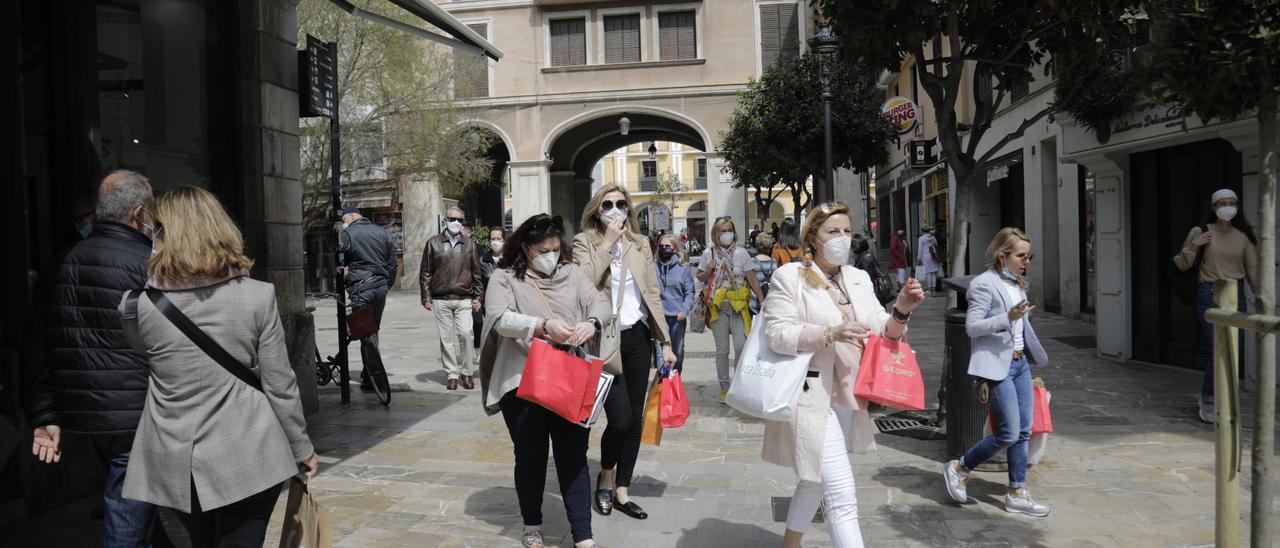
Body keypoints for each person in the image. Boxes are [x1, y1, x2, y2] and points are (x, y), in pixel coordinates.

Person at [117, 186, 318, 546]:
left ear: (164, 234)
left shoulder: (136, 306)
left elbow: (142, 349)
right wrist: (301, 448)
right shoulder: (257, 296)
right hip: (248, 452)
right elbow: (279, 383)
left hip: (173, 459)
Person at [21, 170, 174, 547]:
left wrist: (43, 416)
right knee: (127, 520)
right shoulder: (149, 265)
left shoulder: (58, 264)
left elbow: (36, 346)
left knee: (138, 510)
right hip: (137, 416)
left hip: (86, 417)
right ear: (140, 213)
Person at [762, 202, 924, 548]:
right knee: (841, 494)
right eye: (833, 231)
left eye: (847, 231)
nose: (842, 238)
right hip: (809, 393)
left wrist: (901, 311)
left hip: (850, 392)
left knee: (813, 481)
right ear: (813, 238)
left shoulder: (858, 278)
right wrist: (828, 334)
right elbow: (777, 334)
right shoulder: (789, 277)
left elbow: (883, 330)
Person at [478, 214, 611, 548]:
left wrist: (591, 323)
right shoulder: (505, 277)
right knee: (530, 456)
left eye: (556, 248)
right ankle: (532, 523)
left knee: (573, 458)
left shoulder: (573, 273)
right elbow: (498, 317)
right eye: (544, 250)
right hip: (523, 383)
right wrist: (541, 326)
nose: (552, 255)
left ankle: (583, 535)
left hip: (570, 378)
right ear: (525, 248)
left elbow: (600, 302)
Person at [572, 184, 677, 520]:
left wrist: (666, 342)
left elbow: (652, 294)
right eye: (607, 204)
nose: (615, 209)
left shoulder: (640, 243)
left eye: (620, 203)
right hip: (604, 339)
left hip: (638, 338)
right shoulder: (584, 243)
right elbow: (584, 281)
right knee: (620, 419)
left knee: (634, 420)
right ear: (596, 210)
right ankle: (605, 474)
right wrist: (608, 244)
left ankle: (622, 490)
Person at [942, 227, 1051, 517]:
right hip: (995, 367)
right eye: (1021, 256)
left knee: (1024, 431)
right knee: (1008, 432)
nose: (1027, 261)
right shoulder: (984, 284)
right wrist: (1007, 317)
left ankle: (1017, 492)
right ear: (1004, 256)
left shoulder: (1017, 282)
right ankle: (959, 466)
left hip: (1019, 364)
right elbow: (972, 327)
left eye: (1029, 256)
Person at [1173, 189, 1258, 423]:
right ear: (1213, 207)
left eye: (1232, 203)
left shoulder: (1243, 236)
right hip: (1208, 293)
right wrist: (1195, 245)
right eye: (1223, 203)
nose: (1228, 207)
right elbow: (1181, 264)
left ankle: (1226, 398)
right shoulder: (1201, 231)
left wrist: (1263, 299)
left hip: (1236, 294)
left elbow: (1253, 272)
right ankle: (1209, 398)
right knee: (1218, 348)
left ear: (1238, 206)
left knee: (1233, 350)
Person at [697, 216, 766, 403]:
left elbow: (752, 278)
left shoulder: (741, 253)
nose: (726, 234)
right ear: (716, 233)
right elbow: (700, 278)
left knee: (741, 346)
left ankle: (739, 384)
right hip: (718, 307)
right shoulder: (708, 253)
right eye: (723, 230)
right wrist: (709, 270)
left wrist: (762, 300)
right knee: (722, 349)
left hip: (738, 305)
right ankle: (724, 387)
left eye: (729, 230)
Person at [420, 206, 484, 390]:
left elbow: (476, 272)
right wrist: (426, 295)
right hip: (441, 298)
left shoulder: (469, 244)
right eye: (452, 219)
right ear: (445, 221)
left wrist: (478, 296)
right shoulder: (433, 243)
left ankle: (467, 373)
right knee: (446, 338)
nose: (456, 222)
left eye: (460, 220)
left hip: (464, 298)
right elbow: (425, 272)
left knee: (466, 335)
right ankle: (452, 374)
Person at [339, 206, 399, 391]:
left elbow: (342, 260)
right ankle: (368, 374)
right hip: (380, 287)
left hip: (361, 288)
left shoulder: (348, 235)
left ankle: (375, 377)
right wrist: (386, 284)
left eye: (344, 220)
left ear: (350, 216)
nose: (344, 223)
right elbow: (392, 263)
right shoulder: (383, 233)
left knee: (366, 334)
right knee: (372, 331)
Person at [655, 233, 695, 373]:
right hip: (660, 317)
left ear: (675, 249)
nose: (664, 249)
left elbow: (690, 292)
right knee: (661, 353)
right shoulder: (654, 267)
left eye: (667, 246)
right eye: (661, 246)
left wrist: (684, 310)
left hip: (678, 317)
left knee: (677, 352)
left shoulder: (683, 268)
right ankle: (663, 383)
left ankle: (675, 378)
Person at [474, 227, 507, 355]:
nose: (495, 242)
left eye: (498, 239)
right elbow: (479, 282)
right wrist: (478, 299)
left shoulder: (511, 260)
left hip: (505, 303)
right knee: (487, 330)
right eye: (493, 239)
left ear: (504, 240)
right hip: (487, 304)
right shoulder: (482, 260)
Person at [750, 233, 779, 315]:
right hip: (770, 304)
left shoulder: (751, 262)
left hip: (754, 304)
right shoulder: (774, 263)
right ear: (770, 247)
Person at [916, 227, 942, 295]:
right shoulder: (933, 238)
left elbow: (920, 249)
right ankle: (934, 289)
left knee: (928, 273)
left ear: (922, 231)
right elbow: (936, 245)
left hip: (925, 257)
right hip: (933, 256)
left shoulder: (921, 239)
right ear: (928, 230)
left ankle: (929, 289)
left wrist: (919, 258)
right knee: (933, 273)